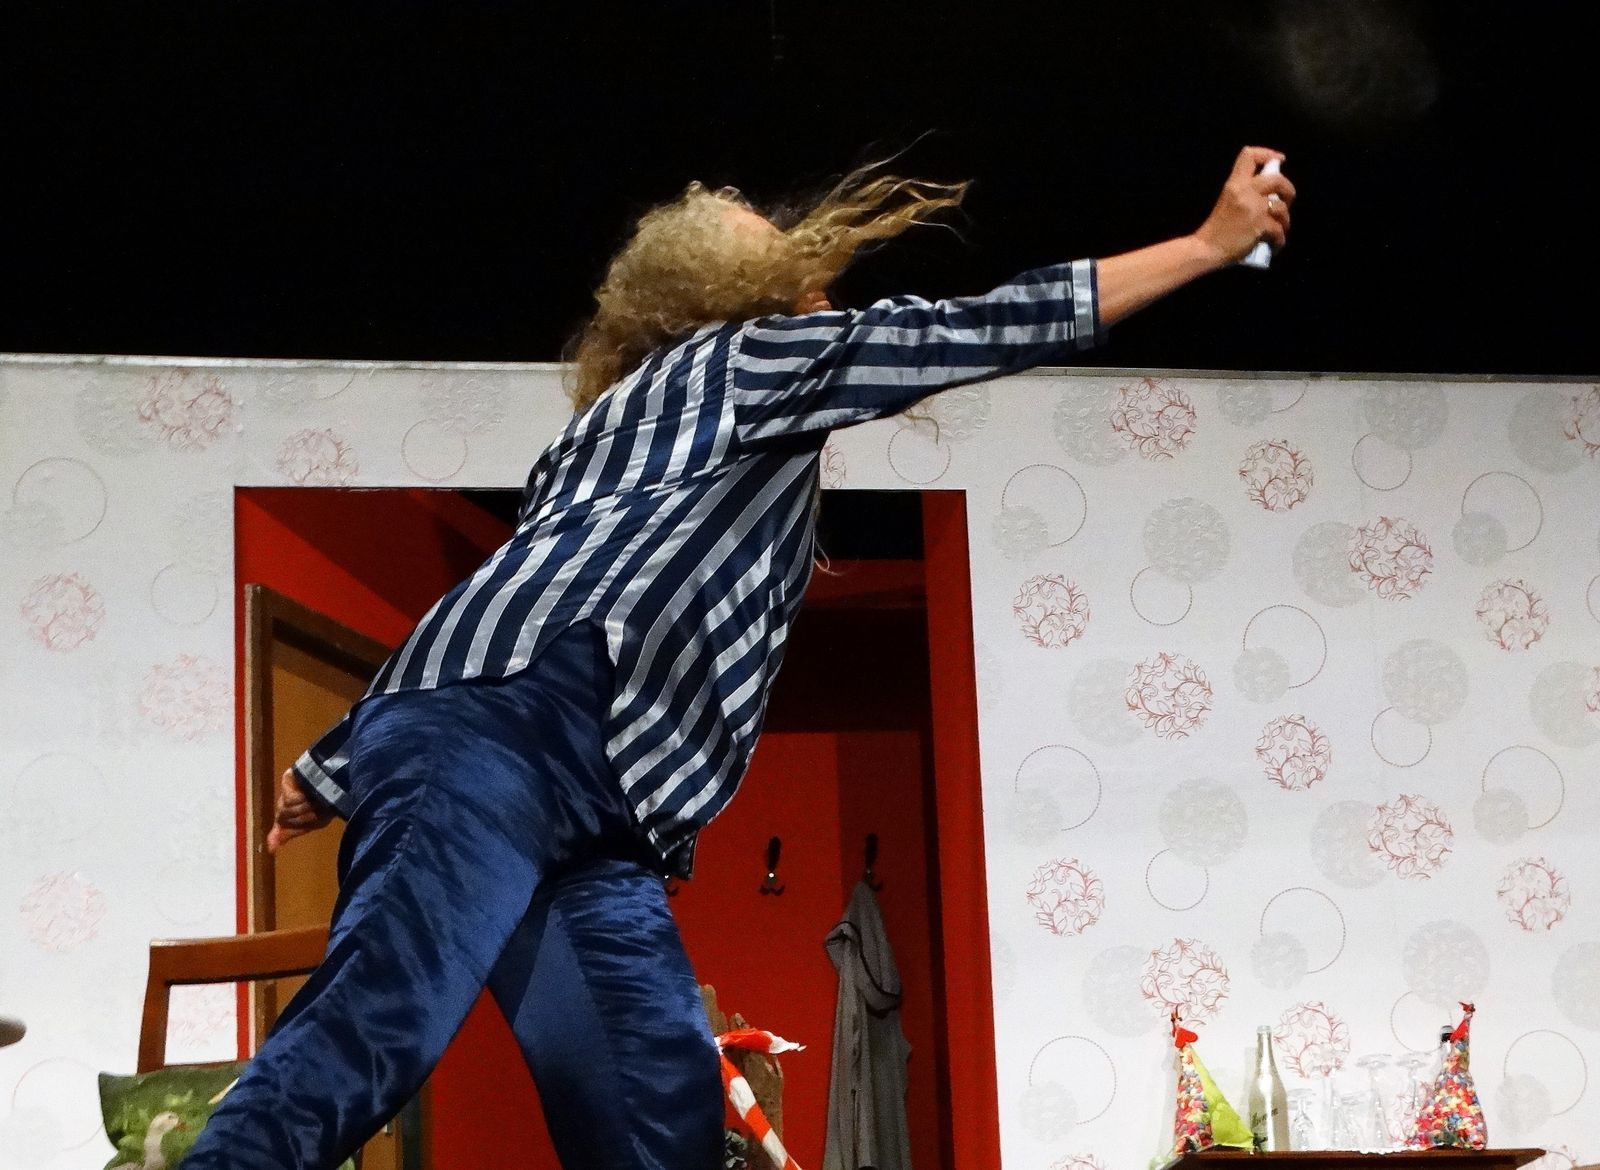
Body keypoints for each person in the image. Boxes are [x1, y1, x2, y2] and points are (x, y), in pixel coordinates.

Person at [182, 146, 1295, 1170]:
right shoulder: (752, 361)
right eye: (793, 271)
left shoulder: (616, 423)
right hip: (511, 736)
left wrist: (337, 758)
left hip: (600, 802)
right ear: (744, 295)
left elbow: (525, 581)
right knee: (380, 1020)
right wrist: (1206, 246)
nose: (822, 290)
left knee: (656, 1100)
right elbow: (968, 330)